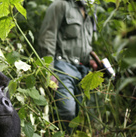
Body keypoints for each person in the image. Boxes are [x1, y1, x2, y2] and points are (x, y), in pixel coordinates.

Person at [37, 0, 97, 134]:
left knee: (78, 117)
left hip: (82, 71)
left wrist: (91, 61)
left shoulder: (89, 11)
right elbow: (47, 38)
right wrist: (49, 70)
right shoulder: (60, 5)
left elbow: (84, 45)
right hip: (62, 67)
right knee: (66, 112)